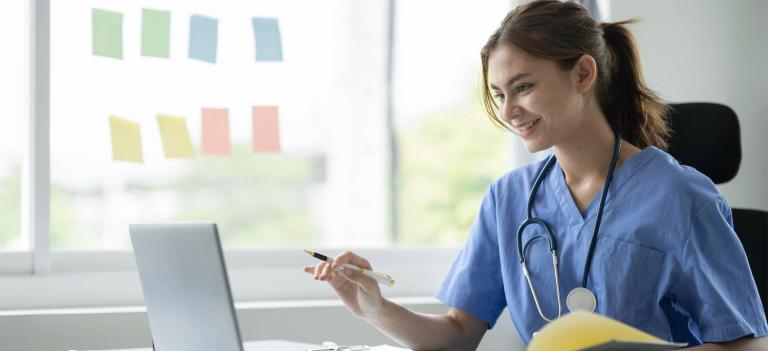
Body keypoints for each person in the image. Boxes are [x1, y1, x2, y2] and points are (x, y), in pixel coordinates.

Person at [303, 1, 768, 350]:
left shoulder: (680, 196)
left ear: (583, 74)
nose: (509, 111)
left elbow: (746, 341)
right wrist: (375, 309)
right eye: (499, 94)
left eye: (523, 87)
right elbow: (459, 335)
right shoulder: (509, 199)